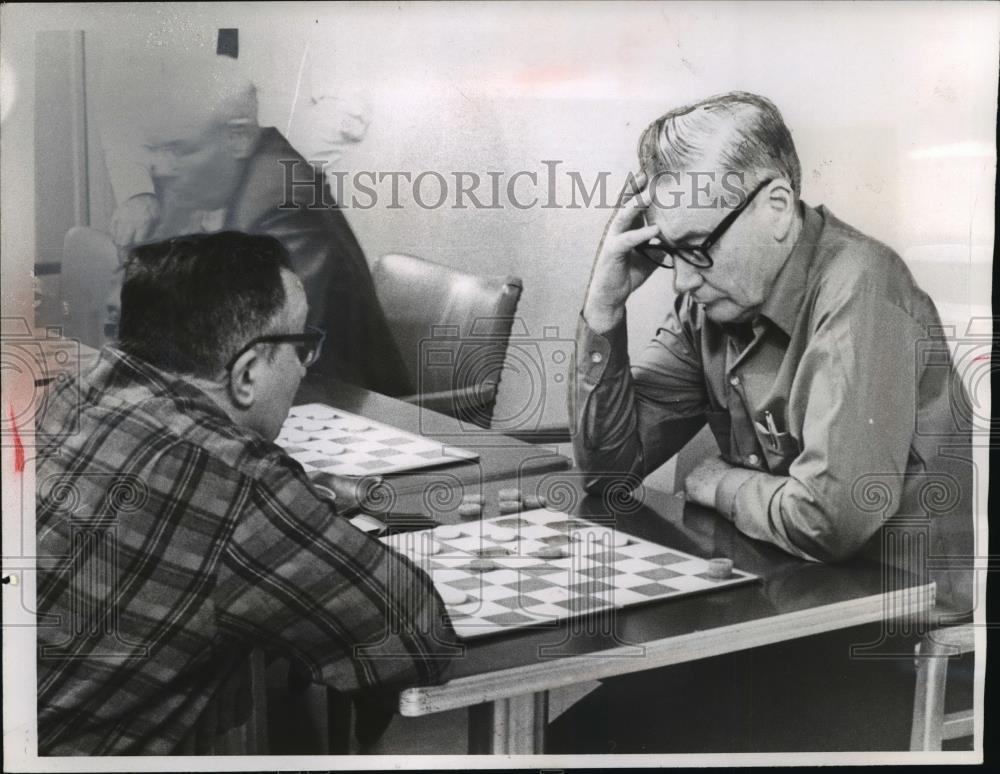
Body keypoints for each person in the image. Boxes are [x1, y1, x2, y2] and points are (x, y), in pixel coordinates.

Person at [552, 91, 974, 752]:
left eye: (698, 247)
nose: (683, 281)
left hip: (893, 656)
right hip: (778, 619)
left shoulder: (863, 288)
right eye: (671, 252)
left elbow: (828, 519)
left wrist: (716, 483)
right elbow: (609, 471)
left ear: (777, 207)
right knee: (572, 744)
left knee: (597, 748)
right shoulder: (712, 302)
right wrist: (604, 302)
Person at [35, 231, 458, 755]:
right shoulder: (236, 480)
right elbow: (415, 638)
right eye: (302, 344)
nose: (306, 365)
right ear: (248, 372)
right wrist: (287, 509)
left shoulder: (69, 395)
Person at [98, 54, 411, 396]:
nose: (160, 168)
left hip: (344, 402)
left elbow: (263, 339)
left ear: (240, 138)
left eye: (178, 150)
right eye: (155, 150)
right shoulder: (200, 179)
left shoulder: (283, 200)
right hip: (260, 391)